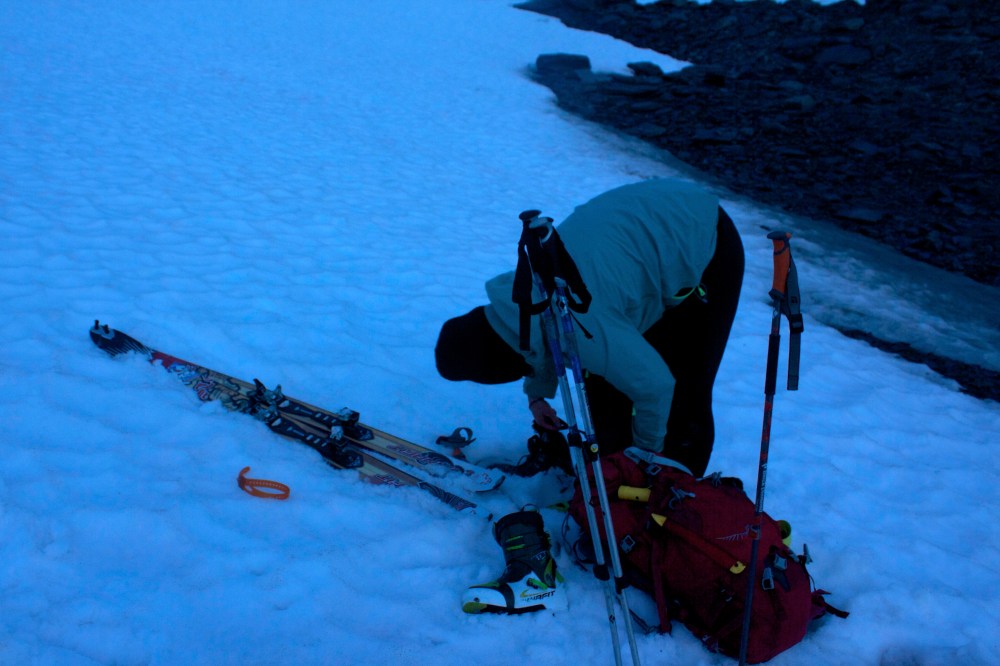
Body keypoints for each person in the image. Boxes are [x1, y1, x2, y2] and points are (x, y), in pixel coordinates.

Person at [436, 178, 744, 478]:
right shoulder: (520, 297)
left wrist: (645, 460)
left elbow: (656, 387)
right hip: (644, 226)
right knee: (605, 380)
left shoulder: (584, 324)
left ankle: (673, 492)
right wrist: (537, 396)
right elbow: (536, 337)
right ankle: (613, 470)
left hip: (702, 236)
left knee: (682, 390)